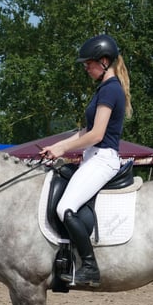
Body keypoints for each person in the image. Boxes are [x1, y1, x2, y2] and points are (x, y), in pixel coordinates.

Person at [39, 34, 133, 287]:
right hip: (93, 157)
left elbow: (97, 134)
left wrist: (64, 149)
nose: (86, 67)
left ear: (104, 61)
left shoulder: (111, 89)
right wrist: (57, 146)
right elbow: (85, 131)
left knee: (65, 208)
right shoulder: (103, 88)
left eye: (89, 63)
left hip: (103, 159)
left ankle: (90, 267)